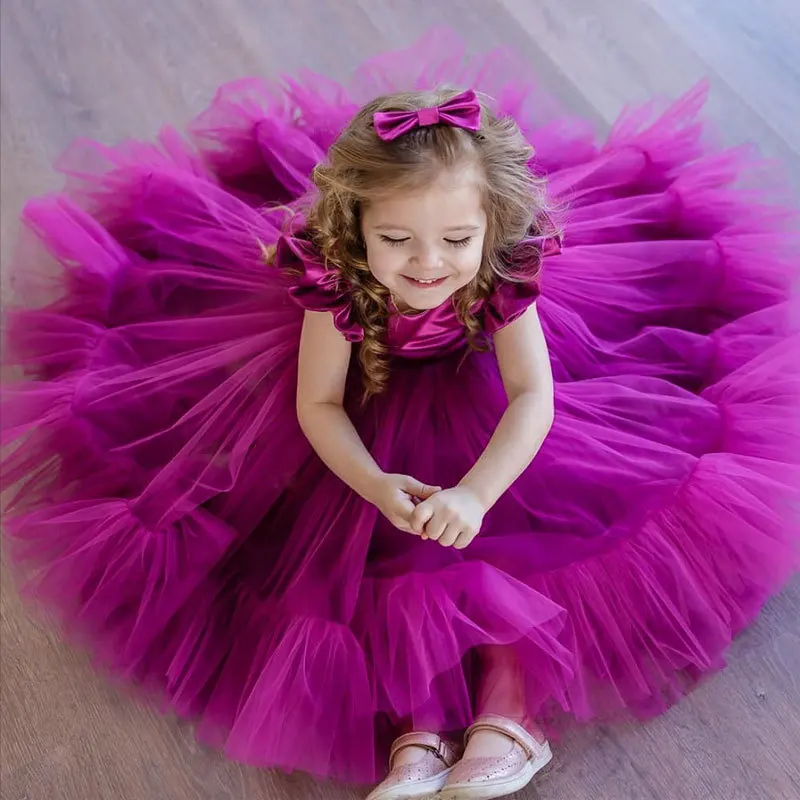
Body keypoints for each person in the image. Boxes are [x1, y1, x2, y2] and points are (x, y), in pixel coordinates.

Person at [2, 33, 798, 800]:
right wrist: (375, 482)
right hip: (367, 412)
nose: (427, 264)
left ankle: (509, 703)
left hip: (491, 399)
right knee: (375, 541)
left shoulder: (503, 272)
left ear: (490, 230)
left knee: (529, 515)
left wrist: (478, 492)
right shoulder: (335, 280)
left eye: (456, 237)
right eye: (396, 239)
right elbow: (316, 403)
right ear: (354, 232)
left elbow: (534, 398)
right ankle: (422, 720)